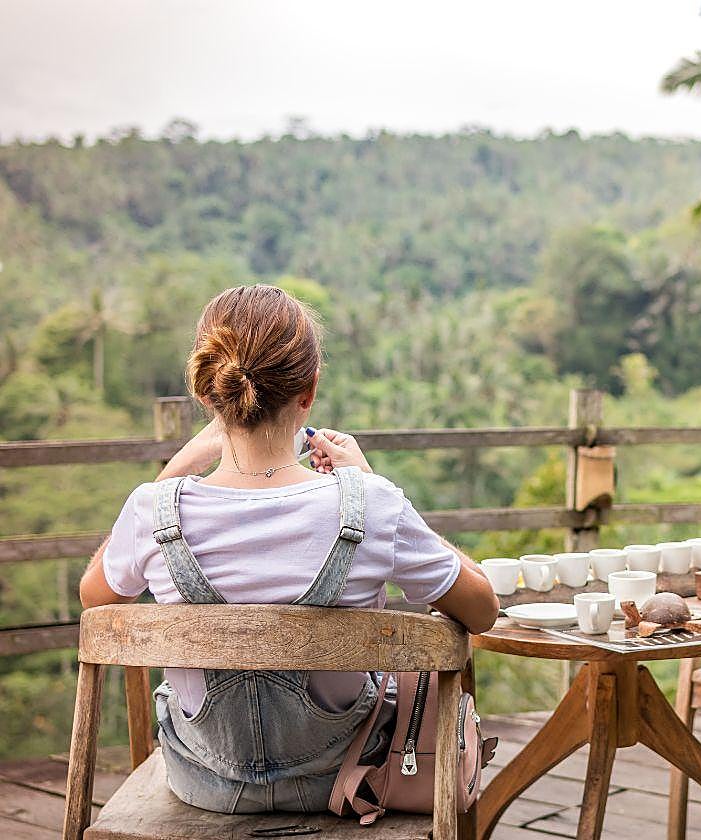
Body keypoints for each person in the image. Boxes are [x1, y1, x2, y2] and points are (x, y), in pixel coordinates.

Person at [78, 284, 499, 814]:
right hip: (347, 775)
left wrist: (178, 468)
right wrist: (372, 483)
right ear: (310, 391)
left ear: (208, 394)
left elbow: (95, 598)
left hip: (202, 778)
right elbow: (482, 609)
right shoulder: (371, 505)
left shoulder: (152, 511)